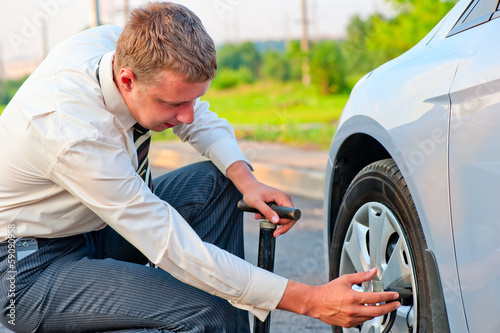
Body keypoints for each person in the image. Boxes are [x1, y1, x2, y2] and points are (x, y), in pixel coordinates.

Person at [0, 2, 400, 332]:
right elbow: (170, 243)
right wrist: (309, 300)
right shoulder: (72, 131)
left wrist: (247, 179)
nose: (187, 117)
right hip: (29, 269)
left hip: (93, 227)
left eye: (192, 99)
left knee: (216, 181)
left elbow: (201, 119)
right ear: (126, 79)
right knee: (206, 312)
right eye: (174, 105)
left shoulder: (116, 44)